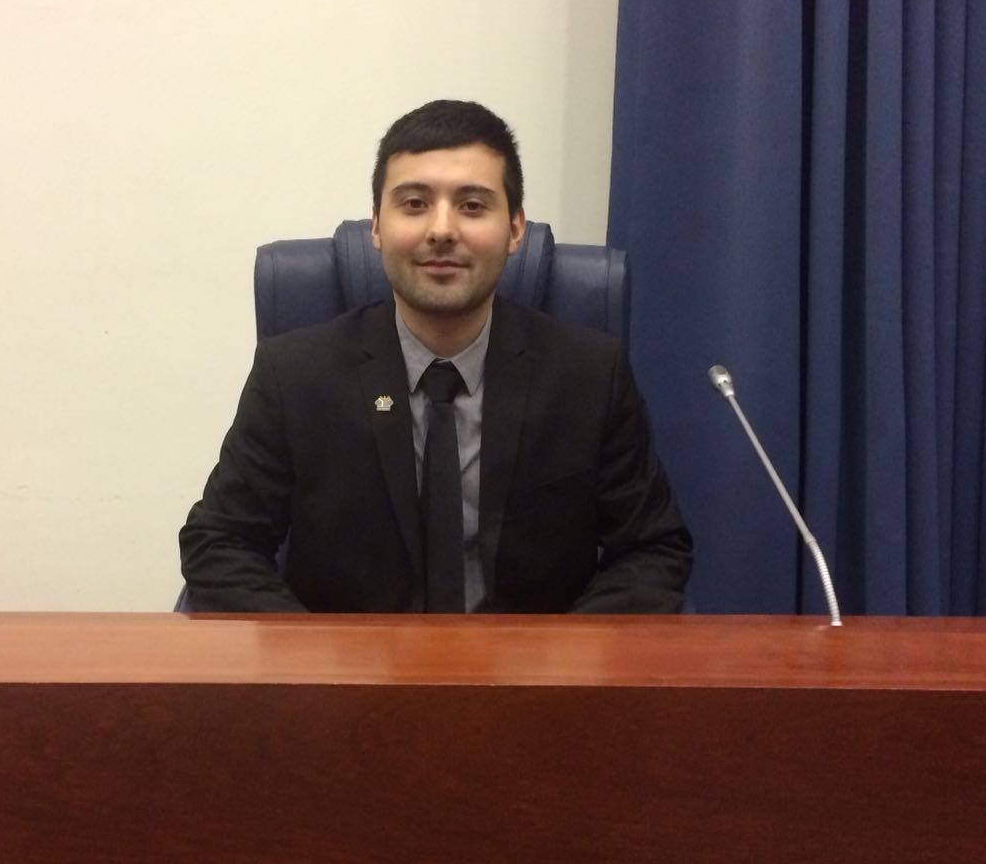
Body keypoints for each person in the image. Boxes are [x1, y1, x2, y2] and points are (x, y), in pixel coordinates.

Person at [179, 100, 691, 613]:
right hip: (349, 662)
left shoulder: (589, 375)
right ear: (376, 226)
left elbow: (651, 549)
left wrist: (564, 655)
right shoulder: (294, 375)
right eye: (414, 203)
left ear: (515, 229)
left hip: (529, 661)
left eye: (472, 206)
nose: (442, 230)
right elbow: (219, 542)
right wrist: (311, 653)